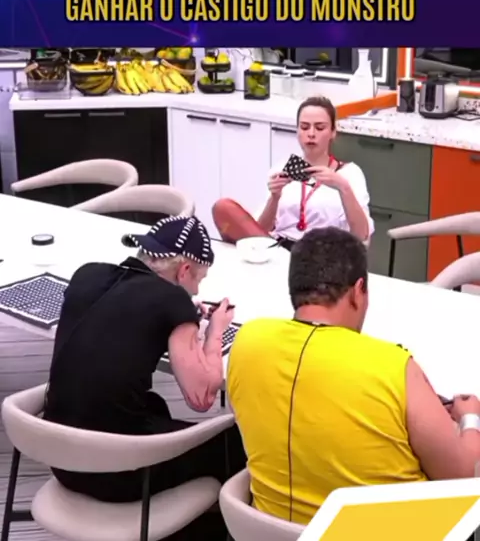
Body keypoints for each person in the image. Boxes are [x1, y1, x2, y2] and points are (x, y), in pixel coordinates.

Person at [227, 226, 480, 525]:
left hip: (266, 529)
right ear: (359, 290)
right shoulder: (393, 366)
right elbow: (461, 475)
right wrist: (470, 418)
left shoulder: (248, 341)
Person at [43, 215, 246, 538]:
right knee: (235, 442)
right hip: (114, 470)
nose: (197, 289)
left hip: (58, 454)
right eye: (199, 279)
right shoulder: (171, 300)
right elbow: (202, 396)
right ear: (183, 270)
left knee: (153, 405)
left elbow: (120, 323)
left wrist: (178, 317)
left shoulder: (87, 274)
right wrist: (214, 331)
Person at [212, 96, 374, 249]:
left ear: (333, 132)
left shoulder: (350, 173)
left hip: (323, 253)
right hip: (280, 248)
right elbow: (260, 231)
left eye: (319, 128)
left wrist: (343, 188)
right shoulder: (282, 169)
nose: (311, 134)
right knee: (223, 207)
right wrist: (275, 198)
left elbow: (361, 236)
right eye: (304, 127)